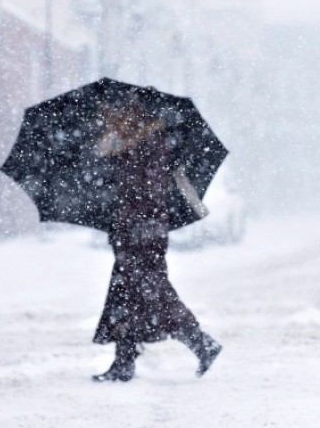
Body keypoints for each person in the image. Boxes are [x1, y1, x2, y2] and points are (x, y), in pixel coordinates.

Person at [91, 102, 222, 382]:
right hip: (132, 232)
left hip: (143, 233)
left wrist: (131, 220)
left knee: (153, 293)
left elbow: (147, 192)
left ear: (128, 115)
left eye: (110, 115)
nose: (106, 122)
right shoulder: (132, 145)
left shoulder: (147, 144)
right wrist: (110, 154)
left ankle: (202, 343)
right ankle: (123, 362)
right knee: (125, 293)